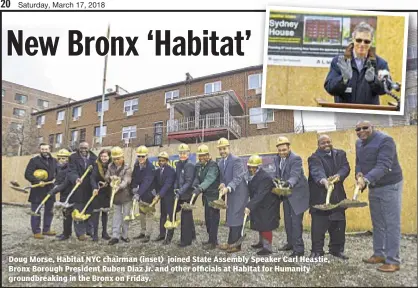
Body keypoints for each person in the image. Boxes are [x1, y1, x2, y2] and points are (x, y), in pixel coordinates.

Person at [355, 121, 403, 272]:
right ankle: (379, 254)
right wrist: (359, 173)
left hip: (390, 185)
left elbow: (384, 165)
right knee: (378, 223)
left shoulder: (385, 140)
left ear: (372, 127)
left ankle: (393, 261)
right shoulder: (359, 143)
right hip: (374, 186)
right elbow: (359, 162)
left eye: (365, 128)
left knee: (391, 223)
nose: (361, 131)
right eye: (358, 129)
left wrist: (366, 180)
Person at [324, 22, 390, 105]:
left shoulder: (380, 63)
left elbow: (387, 87)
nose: (362, 44)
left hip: (369, 116)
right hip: (344, 114)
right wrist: (343, 79)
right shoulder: (339, 61)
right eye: (358, 40)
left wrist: (374, 81)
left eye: (366, 41)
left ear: (371, 42)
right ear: (353, 39)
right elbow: (330, 88)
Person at [308, 135, 351, 260]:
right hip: (320, 197)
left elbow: (345, 167)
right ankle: (317, 250)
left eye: (328, 142)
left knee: (338, 225)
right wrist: (323, 181)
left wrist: (338, 176)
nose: (326, 144)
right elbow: (316, 170)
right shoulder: (314, 157)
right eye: (323, 143)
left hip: (337, 197)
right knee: (318, 226)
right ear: (318, 145)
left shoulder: (340, 154)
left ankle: (336, 250)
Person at [274, 136, 309, 257]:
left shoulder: (296, 158)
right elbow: (277, 174)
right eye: (280, 150)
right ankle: (290, 244)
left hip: (297, 195)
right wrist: (276, 182)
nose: (282, 152)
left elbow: (295, 175)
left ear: (289, 148)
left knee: (295, 222)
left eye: (284, 150)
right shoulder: (277, 158)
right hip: (286, 194)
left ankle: (299, 250)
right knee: (288, 221)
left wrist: (288, 183)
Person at [217, 137, 249, 253]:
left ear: (228, 148)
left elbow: (238, 177)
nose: (222, 151)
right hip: (230, 193)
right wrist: (222, 184)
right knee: (231, 216)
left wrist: (228, 187)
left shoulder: (236, 160)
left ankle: (236, 245)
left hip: (239, 192)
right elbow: (223, 178)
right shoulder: (220, 163)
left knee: (237, 217)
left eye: (224, 149)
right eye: (220, 149)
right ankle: (230, 242)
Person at [246, 154, 280, 256]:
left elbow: (260, 194)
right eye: (250, 166)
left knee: (266, 225)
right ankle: (261, 243)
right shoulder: (255, 175)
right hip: (260, 205)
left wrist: (249, 206)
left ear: (258, 166)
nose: (251, 168)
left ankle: (267, 248)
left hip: (268, 205)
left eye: (253, 167)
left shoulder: (264, 177)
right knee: (260, 223)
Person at [24, 143, 58, 239]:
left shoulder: (54, 161)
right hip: (37, 190)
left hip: (50, 189)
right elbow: (27, 174)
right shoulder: (34, 161)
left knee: (49, 211)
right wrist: (38, 181)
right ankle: (36, 231)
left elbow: (58, 173)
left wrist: (57, 180)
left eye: (46, 149)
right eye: (42, 149)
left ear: (49, 149)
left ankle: (46, 230)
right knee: (36, 210)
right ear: (40, 150)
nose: (44, 151)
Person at [192, 144, 221, 250]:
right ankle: (210, 239)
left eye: (203, 155)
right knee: (208, 220)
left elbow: (209, 179)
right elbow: (197, 178)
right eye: (200, 156)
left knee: (213, 220)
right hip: (206, 197)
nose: (201, 158)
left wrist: (199, 189)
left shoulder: (213, 166)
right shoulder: (199, 165)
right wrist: (195, 185)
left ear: (208, 155)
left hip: (214, 198)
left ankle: (214, 242)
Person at [68, 141, 97, 241]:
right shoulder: (73, 157)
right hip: (78, 187)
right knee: (78, 211)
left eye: (85, 148)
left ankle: (90, 231)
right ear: (78, 148)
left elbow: (95, 174)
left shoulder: (94, 158)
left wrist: (95, 186)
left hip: (90, 188)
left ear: (89, 148)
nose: (83, 150)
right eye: (81, 148)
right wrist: (76, 178)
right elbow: (71, 170)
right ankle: (80, 233)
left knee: (89, 210)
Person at [106, 147, 132, 245]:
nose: (116, 161)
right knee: (116, 216)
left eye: (118, 158)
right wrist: (110, 178)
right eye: (114, 159)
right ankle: (115, 236)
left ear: (122, 157)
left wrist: (119, 186)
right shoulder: (110, 166)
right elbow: (106, 176)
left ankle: (124, 236)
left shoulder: (127, 167)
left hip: (126, 195)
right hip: (115, 196)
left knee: (126, 216)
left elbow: (127, 180)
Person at [46, 149, 73, 241]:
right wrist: (53, 186)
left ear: (68, 158)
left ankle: (67, 234)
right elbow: (57, 180)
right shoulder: (59, 167)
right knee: (65, 213)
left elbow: (65, 183)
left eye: (65, 158)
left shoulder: (70, 168)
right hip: (63, 193)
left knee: (68, 213)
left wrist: (54, 191)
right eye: (60, 158)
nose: (62, 160)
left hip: (70, 193)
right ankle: (67, 232)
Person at [131, 145, 156, 243]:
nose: (141, 158)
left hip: (149, 193)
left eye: (143, 156)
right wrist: (133, 187)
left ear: (146, 156)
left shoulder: (150, 167)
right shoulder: (137, 165)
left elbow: (147, 182)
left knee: (149, 213)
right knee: (141, 213)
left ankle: (148, 235)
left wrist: (138, 193)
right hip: (140, 193)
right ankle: (142, 231)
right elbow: (134, 177)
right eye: (139, 156)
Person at [175, 143, 197, 248]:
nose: (182, 155)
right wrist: (176, 188)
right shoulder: (178, 164)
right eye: (180, 153)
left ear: (188, 153)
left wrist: (180, 191)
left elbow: (188, 182)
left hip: (188, 193)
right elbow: (177, 178)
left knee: (185, 216)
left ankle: (186, 241)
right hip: (181, 192)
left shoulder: (189, 165)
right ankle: (192, 235)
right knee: (188, 215)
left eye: (184, 153)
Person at [154, 152, 176, 245]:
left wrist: (159, 195)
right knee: (162, 215)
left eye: (163, 160)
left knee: (171, 217)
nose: (161, 162)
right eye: (159, 160)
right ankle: (162, 234)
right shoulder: (157, 171)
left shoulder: (171, 171)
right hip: (162, 197)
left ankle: (169, 237)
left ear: (167, 161)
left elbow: (167, 184)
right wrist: (155, 194)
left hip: (170, 196)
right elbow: (156, 184)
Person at [89, 149, 112, 241]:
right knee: (96, 213)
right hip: (97, 192)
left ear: (109, 157)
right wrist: (94, 187)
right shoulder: (96, 165)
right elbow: (92, 178)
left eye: (105, 156)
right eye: (102, 156)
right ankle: (95, 234)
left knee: (105, 213)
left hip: (107, 192)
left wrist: (108, 183)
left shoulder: (112, 165)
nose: (103, 158)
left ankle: (104, 233)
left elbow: (114, 177)